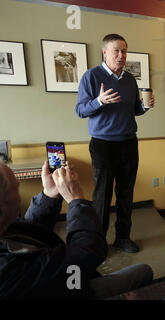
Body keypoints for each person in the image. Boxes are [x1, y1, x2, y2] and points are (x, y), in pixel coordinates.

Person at [0, 161, 153, 299]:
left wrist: (48, 194)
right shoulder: (8, 269)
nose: (20, 196)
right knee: (143, 271)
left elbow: (28, 229)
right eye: (16, 188)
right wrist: (76, 200)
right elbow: (87, 252)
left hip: (59, 277)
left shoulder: (4, 227)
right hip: (70, 286)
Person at [75, 34, 155, 253]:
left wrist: (145, 107)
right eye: (116, 51)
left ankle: (123, 237)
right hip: (103, 145)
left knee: (126, 194)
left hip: (129, 143)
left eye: (124, 51)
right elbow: (80, 111)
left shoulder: (130, 79)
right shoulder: (91, 76)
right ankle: (98, 243)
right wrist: (99, 101)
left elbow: (134, 111)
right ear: (105, 52)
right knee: (102, 196)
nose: (121, 56)